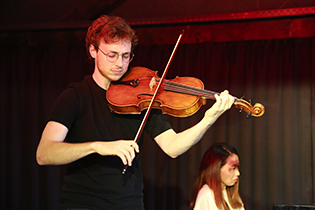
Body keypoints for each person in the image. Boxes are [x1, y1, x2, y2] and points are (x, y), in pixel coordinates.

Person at [36, 15, 235, 210]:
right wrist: (97, 147)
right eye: (111, 55)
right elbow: (44, 153)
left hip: (129, 204)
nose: (120, 64)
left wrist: (208, 119)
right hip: (83, 204)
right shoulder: (75, 96)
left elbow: (172, 147)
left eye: (126, 56)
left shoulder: (141, 96)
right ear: (93, 50)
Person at [190, 142, 245, 210]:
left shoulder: (231, 196)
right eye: (233, 168)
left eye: (237, 167)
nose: (238, 173)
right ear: (216, 169)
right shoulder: (207, 196)